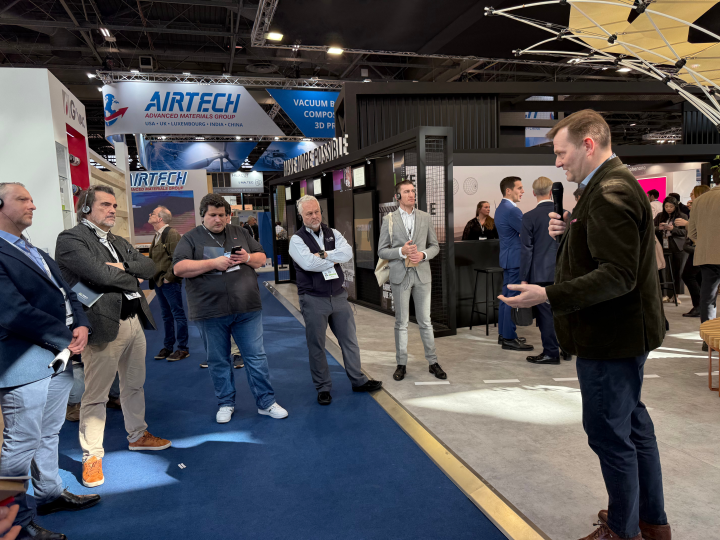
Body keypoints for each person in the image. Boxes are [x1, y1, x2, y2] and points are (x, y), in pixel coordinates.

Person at [500, 109, 669, 540]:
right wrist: (568, 234)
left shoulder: (610, 191)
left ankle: (623, 530)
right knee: (632, 427)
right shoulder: (607, 186)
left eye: (562, 153)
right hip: (621, 334)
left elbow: (617, 275)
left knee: (611, 436)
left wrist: (547, 295)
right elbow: (606, 256)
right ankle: (649, 521)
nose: (558, 162)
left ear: (588, 145)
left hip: (610, 337)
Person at [0, 182, 100, 540]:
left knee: (48, 431)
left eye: (31, 199)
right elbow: (12, 311)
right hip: (23, 361)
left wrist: (82, 324)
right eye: (22, 199)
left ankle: (49, 494)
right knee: (20, 443)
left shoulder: (34, 249)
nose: (33, 205)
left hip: (57, 357)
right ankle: (12, 524)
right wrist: (65, 335)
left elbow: (67, 294)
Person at [56, 186, 172, 489]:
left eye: (114, 205)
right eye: (105, 205)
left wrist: (123, 267)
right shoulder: (70, 239)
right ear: (86, 208)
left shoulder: (117, 240)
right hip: (102, 324)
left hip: (133, 321)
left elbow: (150, 266)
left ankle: (138, 435)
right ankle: (92, 456)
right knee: (96, 395)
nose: (112, 210)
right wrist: (130, 276)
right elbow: (98, 275)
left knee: (133, 385)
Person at [173, 194, 288, 423]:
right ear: (203, 216)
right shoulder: (190, 238)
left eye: (222, 215)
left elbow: (261, 258)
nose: (218, 219)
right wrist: (212, 263)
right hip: (209, 310)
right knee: (218, 359)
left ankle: (266, 402)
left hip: (246, 308)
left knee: (256, 357)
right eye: (212, 215)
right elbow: (179, 268)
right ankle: (226, 403)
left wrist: (246, 257)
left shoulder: (240, 232)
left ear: (228, 216)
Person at [289, 195, 382, 404]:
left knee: (350, 341)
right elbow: (309, 264)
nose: (314, 216)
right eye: (309, 213)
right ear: (301, 216)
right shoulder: (296, 240)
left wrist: (322, 255)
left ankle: (358, 380)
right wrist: (333, 258)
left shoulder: (333, 233)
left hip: (339, 296)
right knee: (317, 345)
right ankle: (323, 387)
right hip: (313, 299)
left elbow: (347, 253)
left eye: (317, 212)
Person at [377, 180, 447, 382]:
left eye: (413, 191)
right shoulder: (389, 219)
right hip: (400, 276)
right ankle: (401, 364)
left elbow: (435, 246)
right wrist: (401, 251)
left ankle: (433, 362)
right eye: (406, 191)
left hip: (422, 275)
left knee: (425, 321)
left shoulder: (425, 217)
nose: (411, 194)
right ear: (397, 196)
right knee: (402, 323)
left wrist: (423, 255)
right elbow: (382, 251)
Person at [519, 177, 561, 364]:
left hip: (540, 273)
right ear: (551, 192)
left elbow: (526, 249)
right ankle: (566, 349)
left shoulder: (529, 217)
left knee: (545, 316)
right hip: (562, 272)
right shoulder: (564, 213)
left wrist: (523, 277)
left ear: (534, 193)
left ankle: (551, 352)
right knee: (562, 312)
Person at [494, 176, 534, 352]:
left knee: (506, 298)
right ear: (508, 190)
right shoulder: (512, 210)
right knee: (512, 299)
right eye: (519, 188)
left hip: (508, 258)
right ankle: (509, 338)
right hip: (516, 260)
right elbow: (528, 232)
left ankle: (504, 334)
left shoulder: (501, 208)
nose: (523, 191)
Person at [148, 206, 189, 362]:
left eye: (152, 213)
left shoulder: (171, 234)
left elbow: (178, 258)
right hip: (159, 282)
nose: (149, 215)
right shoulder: (158, 235)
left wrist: (168, 278)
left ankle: (183, 348)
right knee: (166, 316)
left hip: (169, 282)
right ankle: (168, 346)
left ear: (160, 218)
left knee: (177, 314)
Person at [688, 181, 720, 352]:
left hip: (707, 255)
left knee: (708, 297)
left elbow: (692, 233)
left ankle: (709, 340)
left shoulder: (700, 200)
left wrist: (707, 242)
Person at [677, 185, 711, 318]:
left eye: (692, 193)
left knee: (688, 275)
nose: (690, 196)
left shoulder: (702, 208)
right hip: (700, 247)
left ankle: (699, 306)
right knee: (698, 276)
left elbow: (700, 228)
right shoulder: (702, 207)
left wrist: (686, 224)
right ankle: (702, 306)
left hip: (699, 247)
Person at [654, 196, 687, 304]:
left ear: (675, 206)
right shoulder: (660, 216)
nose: (668, 208)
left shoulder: (682, 217)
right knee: (664, 271)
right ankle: (665, 294)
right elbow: (651, 227)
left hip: (678, 247)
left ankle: (676, 295)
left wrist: (673, 229)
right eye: (666, 206)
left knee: (678, 271)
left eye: (671, 206)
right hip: (664, 246)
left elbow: (686, 232)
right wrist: (659, 228)